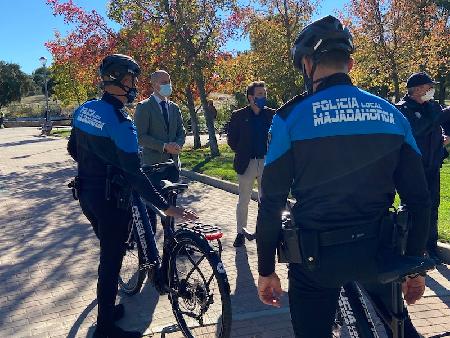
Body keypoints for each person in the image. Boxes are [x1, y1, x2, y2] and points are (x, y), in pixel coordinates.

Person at [255, 16, 431, 338]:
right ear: (350, 63)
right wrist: (415, 265)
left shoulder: (288, 119)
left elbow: (271, 203)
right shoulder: (393, 115)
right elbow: (419, 199)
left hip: (316, 260)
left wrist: (266, 270)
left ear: (307, 64)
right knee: (401, 329)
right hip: (379, 251)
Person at [67, 54, 196, 338]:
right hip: (112, 200)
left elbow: (73, 150)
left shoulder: (85, 109)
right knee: (111, 262)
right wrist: (165, 207)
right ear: (114, 81)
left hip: (87, 193)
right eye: (129, 80)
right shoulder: (122, 124)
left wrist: (98, 163)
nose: (134, 85)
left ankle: (107, 310)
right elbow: (135, 175)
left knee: (109, 253)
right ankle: (105, 329)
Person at [395, 72, 450, 265]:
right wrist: (440, 116)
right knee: (413, 207)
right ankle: (410, 247)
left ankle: (430, 247)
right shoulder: (403, 109)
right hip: (412, 167)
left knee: (432, 207)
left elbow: (445, 122)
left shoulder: (433, 106)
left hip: (433, 163)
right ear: (417, 89)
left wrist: (447, 138)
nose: (431, 91)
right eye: (429, 87)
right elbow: (418, 129)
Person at [134, 70, 186, 233]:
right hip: (153, 167)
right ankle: (150, 249)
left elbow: (181, 131)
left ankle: (172, 242)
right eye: (164, 82)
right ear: (154, 84)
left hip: (172, 166)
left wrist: (177, 144)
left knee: (171, 206)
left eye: (169, 81)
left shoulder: (174, 108)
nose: (168, 85)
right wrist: (163, 146)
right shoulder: (144, 107)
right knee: (151, 210)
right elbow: (140, 136)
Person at [227, 81, 275, 247]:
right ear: (251, 97)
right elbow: (232, 141)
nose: (263, 97)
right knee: (244, 200)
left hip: (266, 163)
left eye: (264, 94)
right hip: (246, 163)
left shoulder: (272, 115)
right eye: (260, 94)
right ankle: (241, 232)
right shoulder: (239, 115)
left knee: (265, 200)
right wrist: (244, 150)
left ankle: (264, 232)